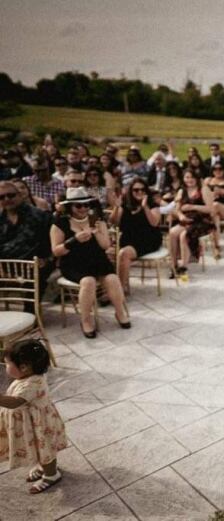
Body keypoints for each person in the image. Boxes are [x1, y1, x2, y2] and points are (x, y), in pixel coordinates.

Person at [50, 187, 130, 337]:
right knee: (88, 282)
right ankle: (86, 320)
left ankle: (120, 313)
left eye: (86, 205)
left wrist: (98, 231)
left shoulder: (96, 220)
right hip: (73, 263)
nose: (83, 208)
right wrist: (74, 240)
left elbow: (105, 246)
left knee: (112, 279)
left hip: (97, 260)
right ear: (70, 207)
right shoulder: (60, 223)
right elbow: (56, 251)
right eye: (78, 205)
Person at [0, 338, 68, 494]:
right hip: (30, 424)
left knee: (45, 449)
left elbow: (15, 402)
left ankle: (51, 474)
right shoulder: (26, 376)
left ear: (24, 367)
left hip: (39, 426)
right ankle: (42, 465)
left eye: (7, 364)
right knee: (39, 448)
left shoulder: (33, 384)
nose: (5, 367)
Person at [111, 177, 162, 293]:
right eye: (136, 190)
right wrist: (116, 207)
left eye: (142, 189)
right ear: (131, 191)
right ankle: (121, 286)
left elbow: (154, 223)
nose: (139, 192)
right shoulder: (125, 204)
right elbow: (114, 222)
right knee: (110, 253)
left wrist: (145, 207)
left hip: (148, 239)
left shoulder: (152, 205)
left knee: (123, 253)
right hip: (129, 238)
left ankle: (119, 290)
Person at [168, 170, 215, 279]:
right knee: (172, 232)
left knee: (184, 235)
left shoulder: (203, 189)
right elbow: (177, 209)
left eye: (192, 177)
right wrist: (180, 216)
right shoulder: (181, 191)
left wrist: (192, 207)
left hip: (202, 221)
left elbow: (210, 209)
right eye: (187, 177)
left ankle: (183, 266)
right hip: (186, 220)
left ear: (197, 178)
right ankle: (174, 264)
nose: (189, 180)